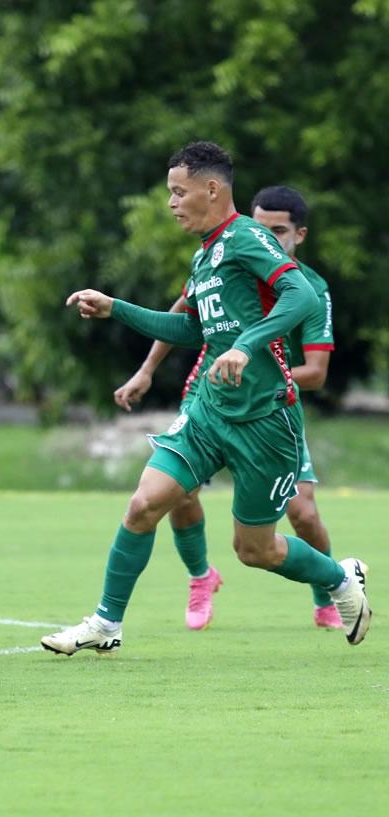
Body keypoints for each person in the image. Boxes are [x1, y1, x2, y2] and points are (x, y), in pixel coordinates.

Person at [43, 141, 370, 656]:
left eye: (179, 191)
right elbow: (193, 330)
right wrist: (115, 308)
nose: (172, 203)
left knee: (254, 550)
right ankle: (106, 623)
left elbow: (300, 295)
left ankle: (338, 577)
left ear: (211, 188)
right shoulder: (205, 256)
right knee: (143, 505)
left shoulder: (246, 238)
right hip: (210, 411)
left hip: (265, 421)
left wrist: (245, 346)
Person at [114, 185, 341, 630]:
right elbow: (186, 315)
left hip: (272, 408)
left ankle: (330, 591)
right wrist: (145, 371)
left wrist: (257, 371)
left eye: (279, 231)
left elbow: (316, 372)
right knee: (173, 492)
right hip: (209, 395)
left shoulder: (307, 288)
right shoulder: (223, 253)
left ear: (300, 235)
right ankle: (199, 577)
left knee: (302, 514)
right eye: (261, 227)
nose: (267, 237)